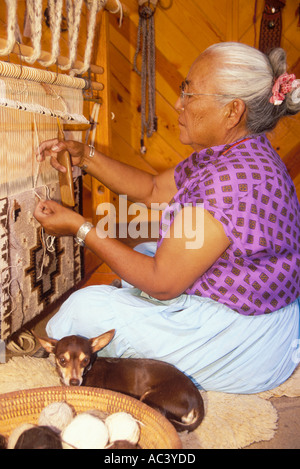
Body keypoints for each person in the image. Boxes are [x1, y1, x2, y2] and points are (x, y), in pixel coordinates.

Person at [34, 42, 300, 394]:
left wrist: (79, 228)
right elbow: (153, 189)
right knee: (145, 248)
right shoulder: (234, 152)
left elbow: (162, 283)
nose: (179, 104)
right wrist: (85, 156)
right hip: (266, 316)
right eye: (182, 90)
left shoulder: (231, 179)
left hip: (247, 344)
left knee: (84, 310)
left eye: (189, 93)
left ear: (233, 111)